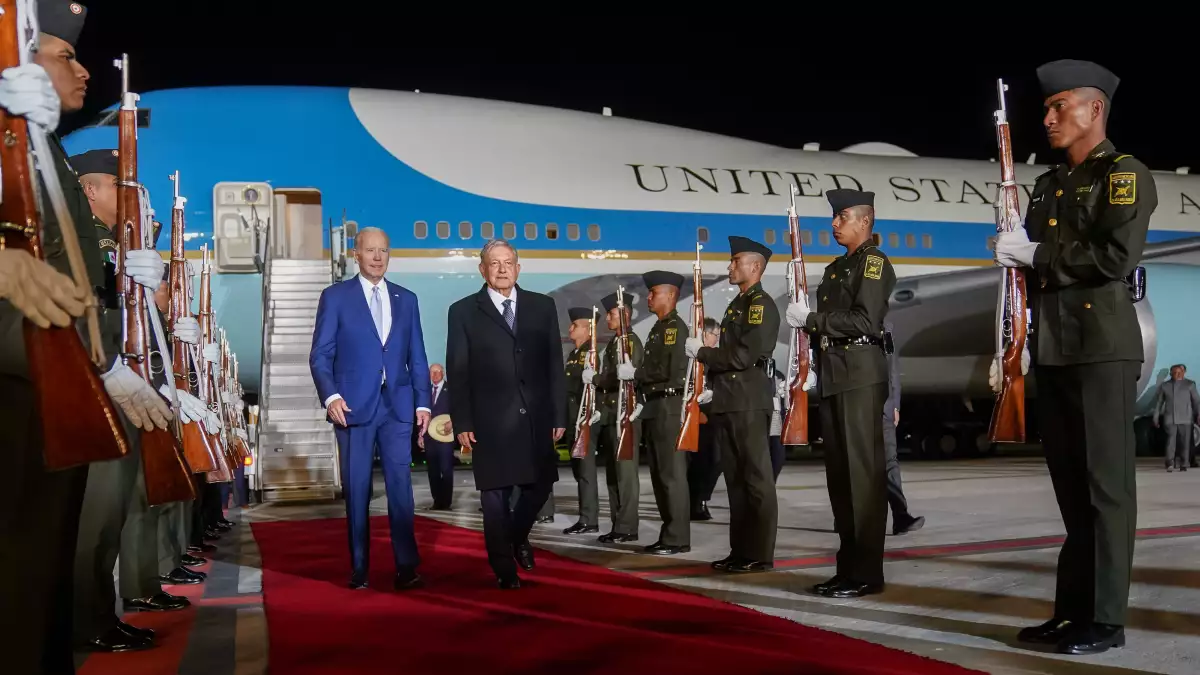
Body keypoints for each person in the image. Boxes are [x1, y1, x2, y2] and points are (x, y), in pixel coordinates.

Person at [1, 2, 175, 666]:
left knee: (40, 567)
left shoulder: (38, 146)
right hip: (26, 380)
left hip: (53, 381)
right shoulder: (20, 140)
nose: (78, 69)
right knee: (23, 565)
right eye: (62, 53)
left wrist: (126, 296)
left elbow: (72, 275)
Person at [991, 59, 1156, 655]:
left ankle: (1106, 620)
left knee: (1105, 491)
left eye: (1061, 106)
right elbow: (1035, 272)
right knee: (1070, 491)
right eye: (1046, 107)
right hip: (1056, 350)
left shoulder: (1124, 175)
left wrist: (1033, 254)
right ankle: (1072, 611)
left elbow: (1113, 258)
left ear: (1096, 110)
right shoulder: (1049, 183)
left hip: (1102, 352)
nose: (1050, 117)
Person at [309, 226, 431, 591]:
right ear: (356, 255)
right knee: (357, 490)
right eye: (370, 250)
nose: (378, 257)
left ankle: (407, 566)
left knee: (401, 491)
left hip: (396, 407)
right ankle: (359, 568)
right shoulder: (336, 297)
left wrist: (423, 402)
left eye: (384, 250)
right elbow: (320, 355)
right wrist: (331, 397)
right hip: (353, 410)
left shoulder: (406, 299)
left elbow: (418, 357)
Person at [787, 188, 894, 599]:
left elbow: (865, 320)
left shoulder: (873, 264)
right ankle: (847, 567)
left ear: (865, 221)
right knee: (841, 479)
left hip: (860, 374)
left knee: (862, 478)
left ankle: (866, 572)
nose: (835, 223)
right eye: (834, 217)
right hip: (835, 373)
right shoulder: (836, 269)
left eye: (843, 216)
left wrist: (811, 319)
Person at [446, 239, 566, 589]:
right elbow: (459, 369)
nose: (502, 269)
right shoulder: (464, 311)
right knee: (495, 495)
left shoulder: (542, 307)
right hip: (489, 421)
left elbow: (554, 366)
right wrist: (463, 421)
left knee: (541, 485)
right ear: (482, 270)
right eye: (494, 263)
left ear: (518, 267)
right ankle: (504, 568)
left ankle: (515, 537)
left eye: (508, 262)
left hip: (536, 418)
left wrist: (560, 414)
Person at [686, 236, 780, 573]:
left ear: (754, 267)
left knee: (756, 480)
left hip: (749, 400)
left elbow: (742, 355)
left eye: (735, 261)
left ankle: (760, 553)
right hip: (729, 399)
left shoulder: (760, 305)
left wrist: (703, 353)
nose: (729, 266)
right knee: (736, 482)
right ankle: (741, 550)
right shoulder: (736, 305)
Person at [618, 270, 690, 554]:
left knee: (672, 475)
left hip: (669, 406)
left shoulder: (674, 328)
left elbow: (668, 370)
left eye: (654, 293)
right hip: (656, 405)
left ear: (670, 295)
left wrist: (636, 372)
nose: (648, 297)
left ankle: (677, 536)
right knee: (661, 476)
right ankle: (669, 532)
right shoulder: (659, 328)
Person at [583, 290, 644, 544]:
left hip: (625, 414)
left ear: (624, 314)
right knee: (613, 473)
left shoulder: (630, 342)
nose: (607, 318)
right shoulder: (615, 342)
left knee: (625, 474)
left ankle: (628, 526)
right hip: (611, 414)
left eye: (610, 314)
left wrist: (595, 379)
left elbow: (623, 377)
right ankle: (619, 523)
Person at [882, 319, 923, 535]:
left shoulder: (886, 323)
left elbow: (892, 365)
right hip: (858, 404)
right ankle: (845, 517)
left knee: (890, 462)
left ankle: (901, 515)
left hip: (884, 406)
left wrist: (895, 403)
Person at [563, 307, 601, 535]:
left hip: (584, 418)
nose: (570, 328)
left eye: (574, 325)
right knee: (579, 470)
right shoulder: (574, 354)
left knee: (585, 471)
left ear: (587, 328)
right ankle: (586, 516)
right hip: (571, 419)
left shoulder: (592, 353)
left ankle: (589, 519)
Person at [688, 317, 722, 520]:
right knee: (699, 462)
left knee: (716, 461)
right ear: (704, 334)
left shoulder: (714, 356)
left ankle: (701, 498)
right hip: (696, 415)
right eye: (714, 335)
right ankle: (695, 501)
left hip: (712, 415)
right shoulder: (693, 356)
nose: (717, 339)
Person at [1153, 365, 1200, 471]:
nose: (1177, 375)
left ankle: (1184, 463)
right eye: (1174, 373)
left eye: (1179, 372)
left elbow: (1196, 401)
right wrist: (1155, 417)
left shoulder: (1190, 385)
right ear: (1171, 374)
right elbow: (1159, 403)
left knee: (1185, 443)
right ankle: (1169, 462)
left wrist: (1199, 414)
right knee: (1170, 441)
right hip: (1170, 418)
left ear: (1183, 373)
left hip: (1185, 418)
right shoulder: (1165, 386)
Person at [421, 364, 455, 509]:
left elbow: (459, 408)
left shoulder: (452, 390)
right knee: (433, 471)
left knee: (446, 470)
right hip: (429, 437)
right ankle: (437, 500)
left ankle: (446, 502)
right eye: (432, 372)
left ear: (443, 373)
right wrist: (420, 435)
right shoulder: (425, 391)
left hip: (446, 436)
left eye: (437, 372)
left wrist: (453, 421)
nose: (435, 375)